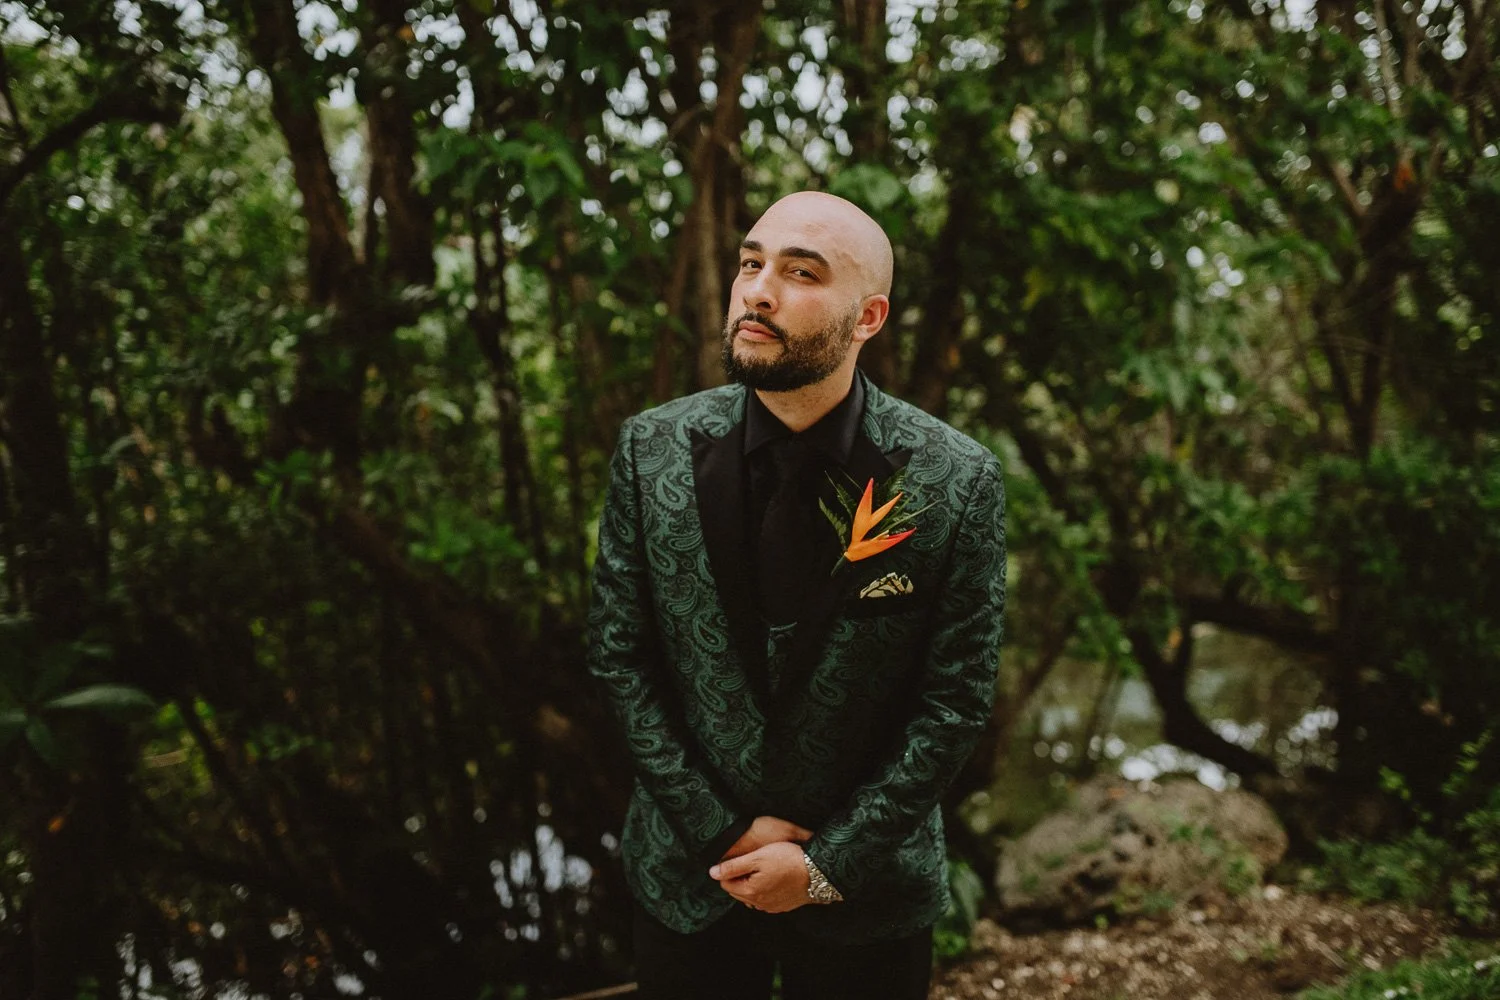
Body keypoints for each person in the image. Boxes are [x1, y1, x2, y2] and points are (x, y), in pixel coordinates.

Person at [586, 191, 1007, 999]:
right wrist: (726, 832)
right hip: (687, 877)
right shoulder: (651, 448)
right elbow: (618, 656)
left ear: (868, 317)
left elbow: (954, 700)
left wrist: (825, 865)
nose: (758, 290)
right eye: (751, 264)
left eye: (800, 273)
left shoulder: (956, 479)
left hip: (869, 896)